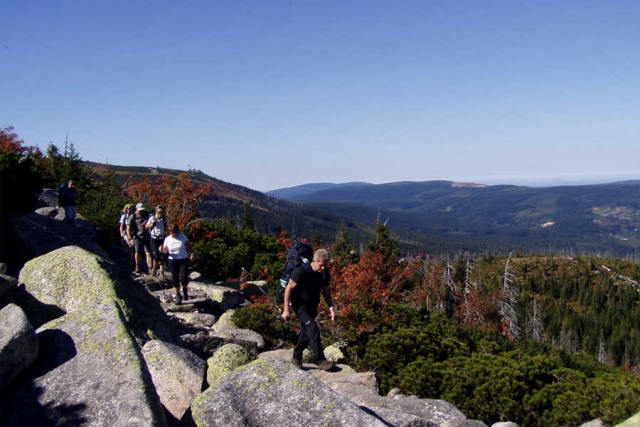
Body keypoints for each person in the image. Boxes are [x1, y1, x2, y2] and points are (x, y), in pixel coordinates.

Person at [281, 248, 336, 371]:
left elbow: (326, 292)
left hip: (312, 305)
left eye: (326, 266)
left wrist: (331, 309)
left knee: (306, 333)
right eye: (321, 265)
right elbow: (288, 288)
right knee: (312, 327)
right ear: (314, 261)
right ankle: (320, 360)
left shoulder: (324, 273)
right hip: (299, 305)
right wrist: (286, 310)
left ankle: (296, 356)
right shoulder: (302, 270)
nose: (323, 268)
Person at [161, 224, 193, 304]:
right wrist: (162, 250)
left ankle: (185, 291)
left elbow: (188, 246)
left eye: (175, 232)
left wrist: (192, 253)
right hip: (173, 260)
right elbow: (165, 250)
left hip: (183, 259)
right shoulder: (167, 239)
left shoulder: (182, 237)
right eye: (172, 232)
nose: (174, 234)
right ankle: (178, 295)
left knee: (183, 278)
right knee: (175, 278)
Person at [127, 203, 153, 274]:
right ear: (137, 209)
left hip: (147, 236)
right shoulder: (133, 216)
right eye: (140, 210)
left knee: (148, 252)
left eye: (142, 210)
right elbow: (128, 228)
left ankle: (150, 268)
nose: (141, 212)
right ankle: (137, 266)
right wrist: (130, 238)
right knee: (137, 252)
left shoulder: (147, 214)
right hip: (137, 237)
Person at [146, 205, 168, 276]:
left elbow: (167, 227)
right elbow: (146, 227)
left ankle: (162, 270)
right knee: (156, 256)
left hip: (162, 238)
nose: (160, 214)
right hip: (154, 238)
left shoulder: (165, 219)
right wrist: (152, 224)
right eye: (159, 212)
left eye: (161, 212)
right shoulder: (152, 218)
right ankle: (154, 268)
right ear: (156, 211)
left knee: (164, 255)